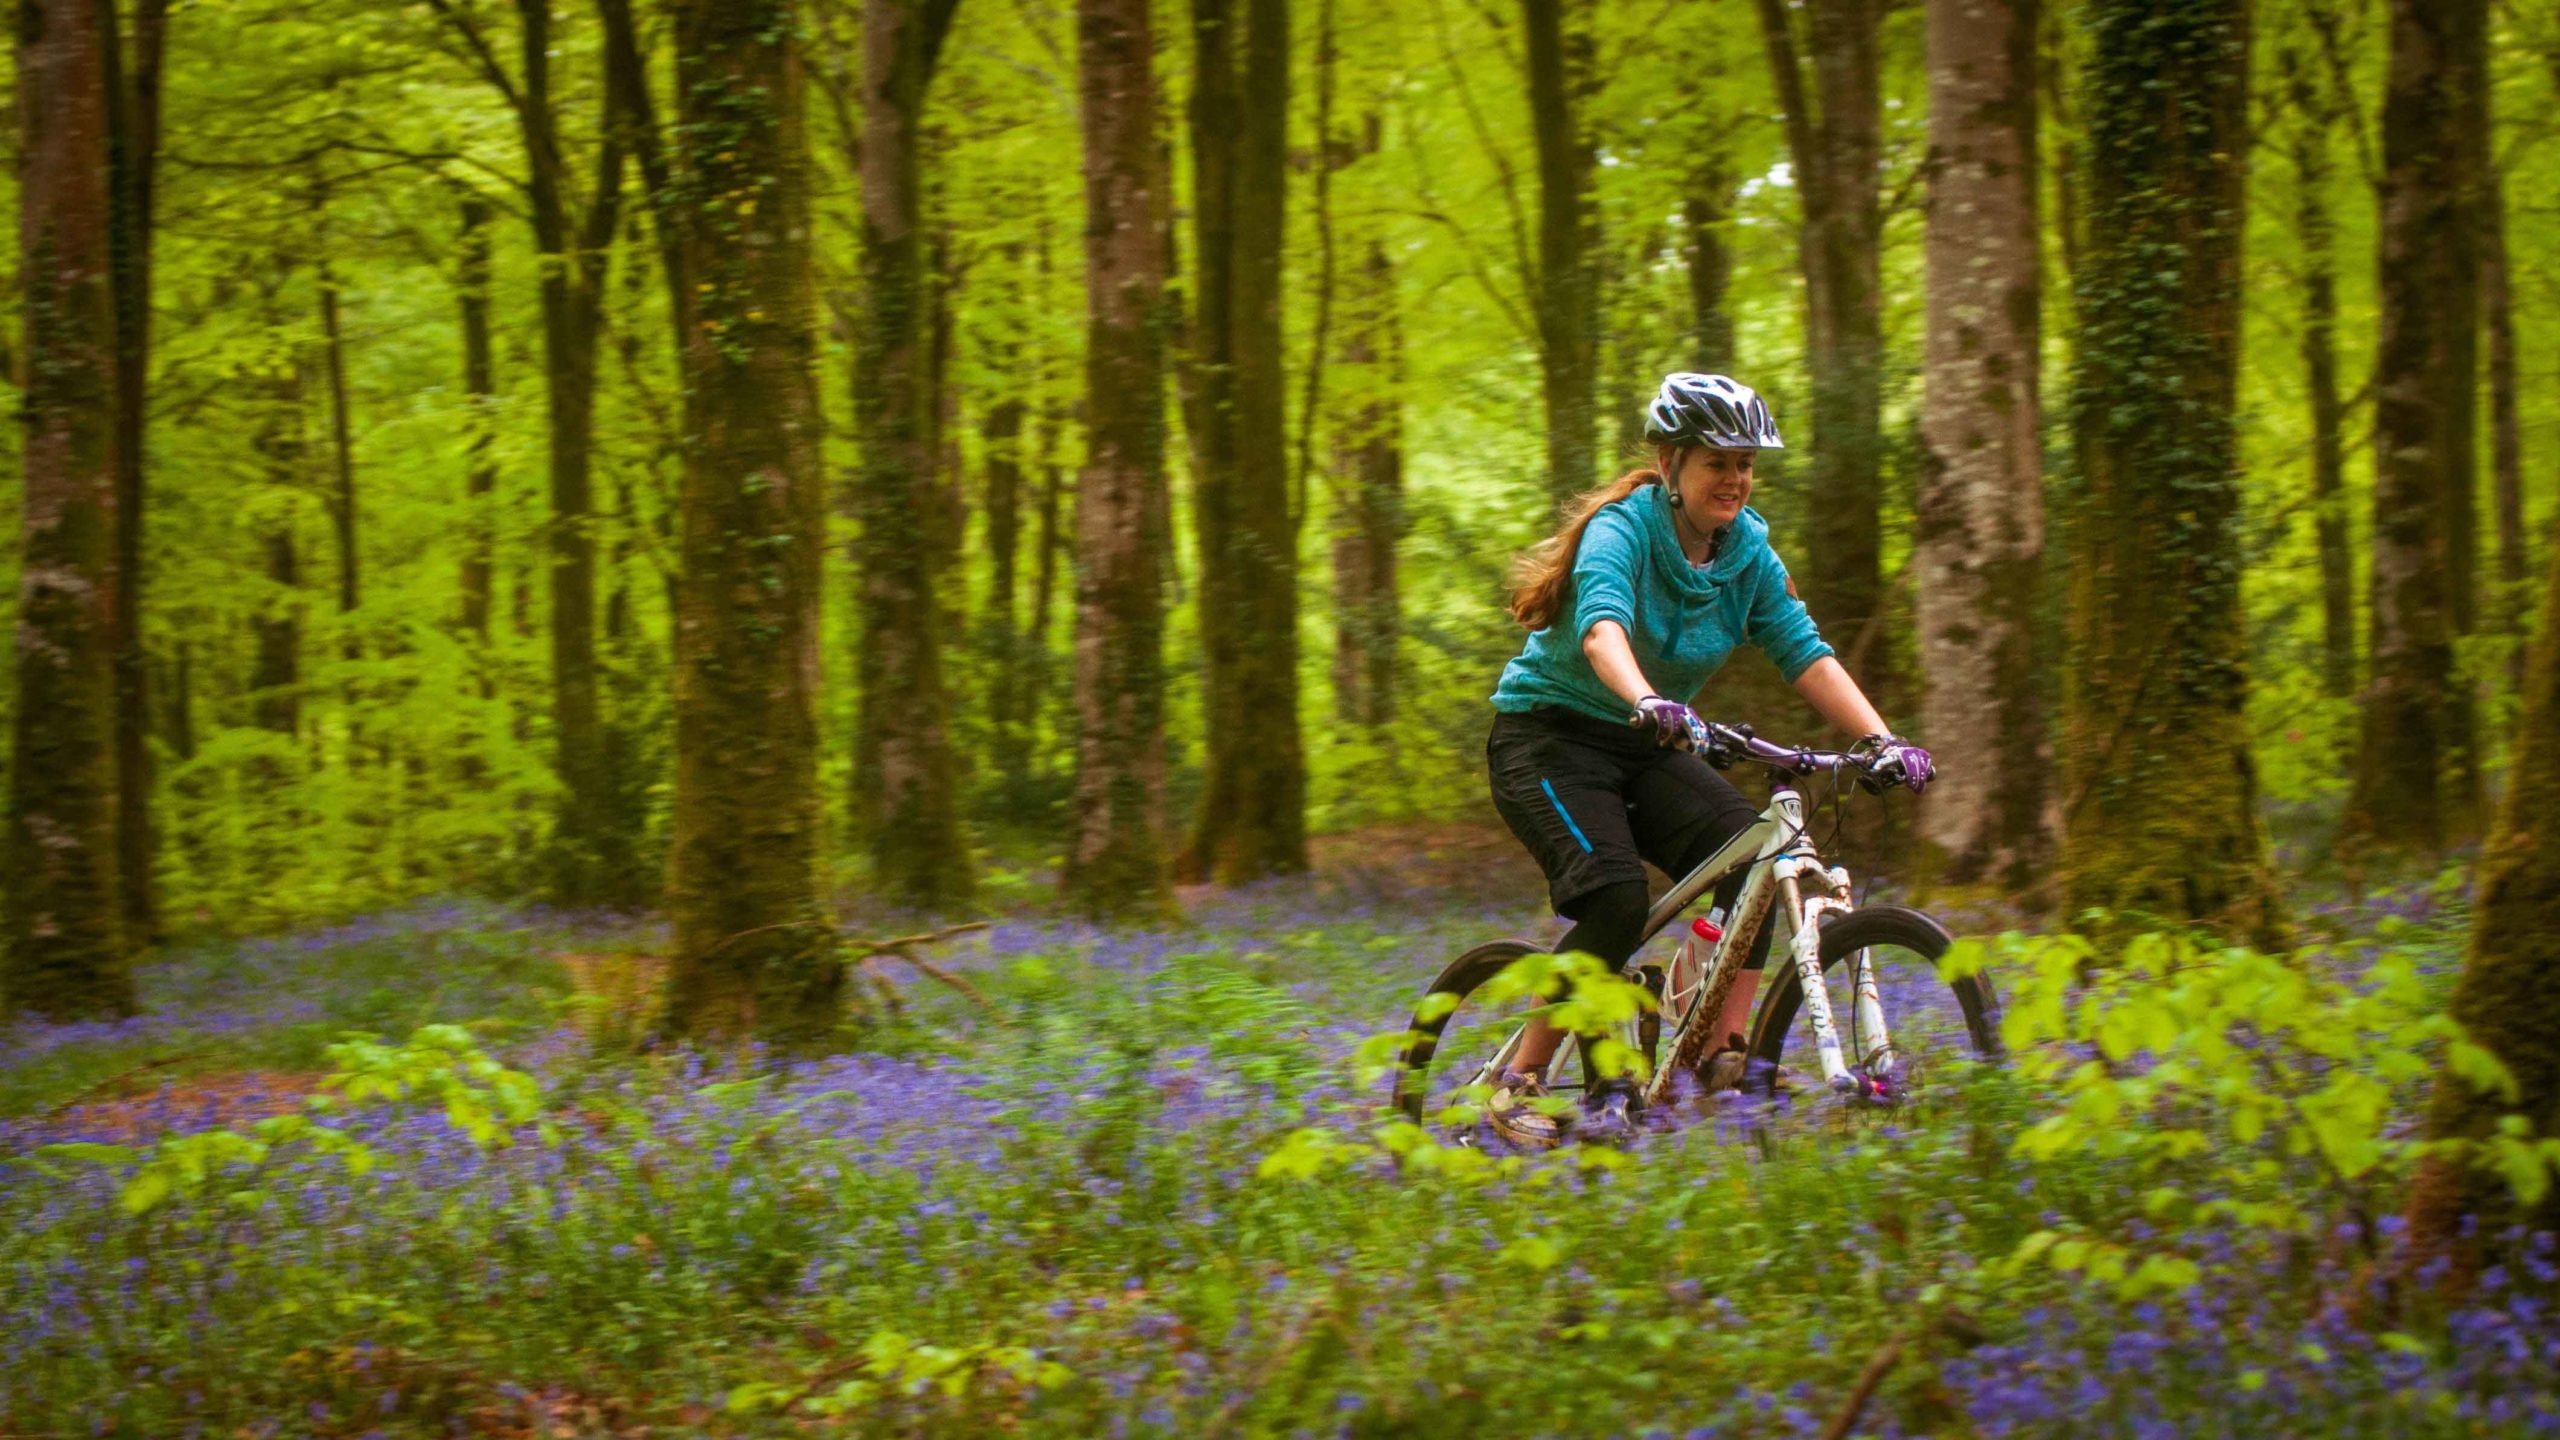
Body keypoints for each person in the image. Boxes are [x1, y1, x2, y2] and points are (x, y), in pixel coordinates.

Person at [1481, 373, 1931, 1146]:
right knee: (1616, 899)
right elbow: (1600, 629)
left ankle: (1717, 1052)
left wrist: (1882, 740)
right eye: (1716, 462)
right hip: (1547, 738)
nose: (1735, 479)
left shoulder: (1747, 549)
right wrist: (1649, 698)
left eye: (1745, 463)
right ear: (1670, 464)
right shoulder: (1622, 531)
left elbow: (1804, 650)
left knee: (1754, 861)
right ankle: (1517, 1079)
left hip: (1645, 740)